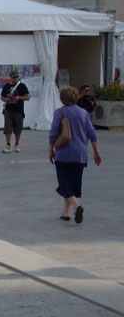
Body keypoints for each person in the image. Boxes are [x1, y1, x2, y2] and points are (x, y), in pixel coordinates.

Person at [49, 86, 102, 224]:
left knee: (64, 184)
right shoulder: (84, 113)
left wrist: (51, 149)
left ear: (62, 99)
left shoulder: (59, 112)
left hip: (63, 154)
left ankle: (76, 206)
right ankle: (66, 212)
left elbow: (53, 133)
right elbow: (92, 133)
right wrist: (97, 152)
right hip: (80, 154)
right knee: (72, 183)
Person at [0, 70, 30, 153]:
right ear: (10, 77)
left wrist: (19, 98)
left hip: (19, 110)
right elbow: (2, 97)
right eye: (14, 77)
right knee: (8, 127)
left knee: (18, 128)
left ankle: (17, 143)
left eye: (17, 77)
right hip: (8, 110)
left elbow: (27, 97)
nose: (16, 78)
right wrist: (7, 99)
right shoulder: (6, 86)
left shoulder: (22, 86)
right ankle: (8, 144)